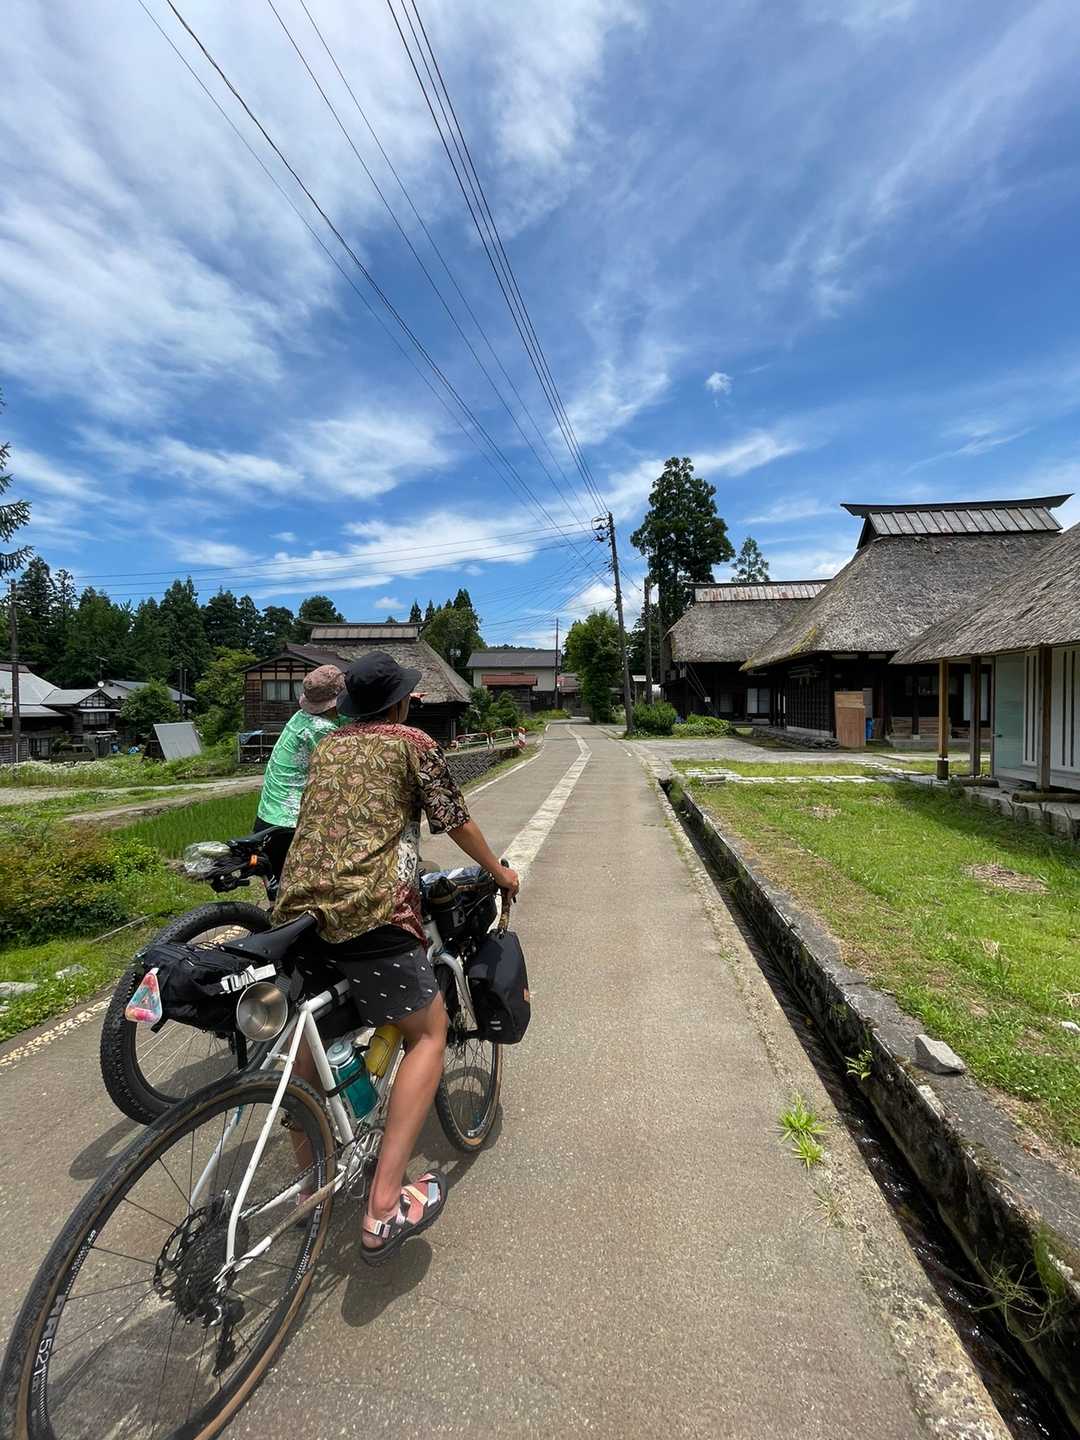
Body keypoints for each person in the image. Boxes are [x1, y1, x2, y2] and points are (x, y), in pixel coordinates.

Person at [274, 651, 519, 1264]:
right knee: (429, 1031)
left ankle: (310, 1187)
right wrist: (499, 872)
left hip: (297, 912)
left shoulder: (327, 746)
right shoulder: (412, 743)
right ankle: (382, 1208)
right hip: (370, 910)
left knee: (310, 1046)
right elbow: (455, 821)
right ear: (402, 702)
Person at [253, 665, 346, 880]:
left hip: (269, 818)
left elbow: (344, 720)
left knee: (281, 890)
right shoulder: (321, 729)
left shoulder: (301, 717)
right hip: (292, 824)